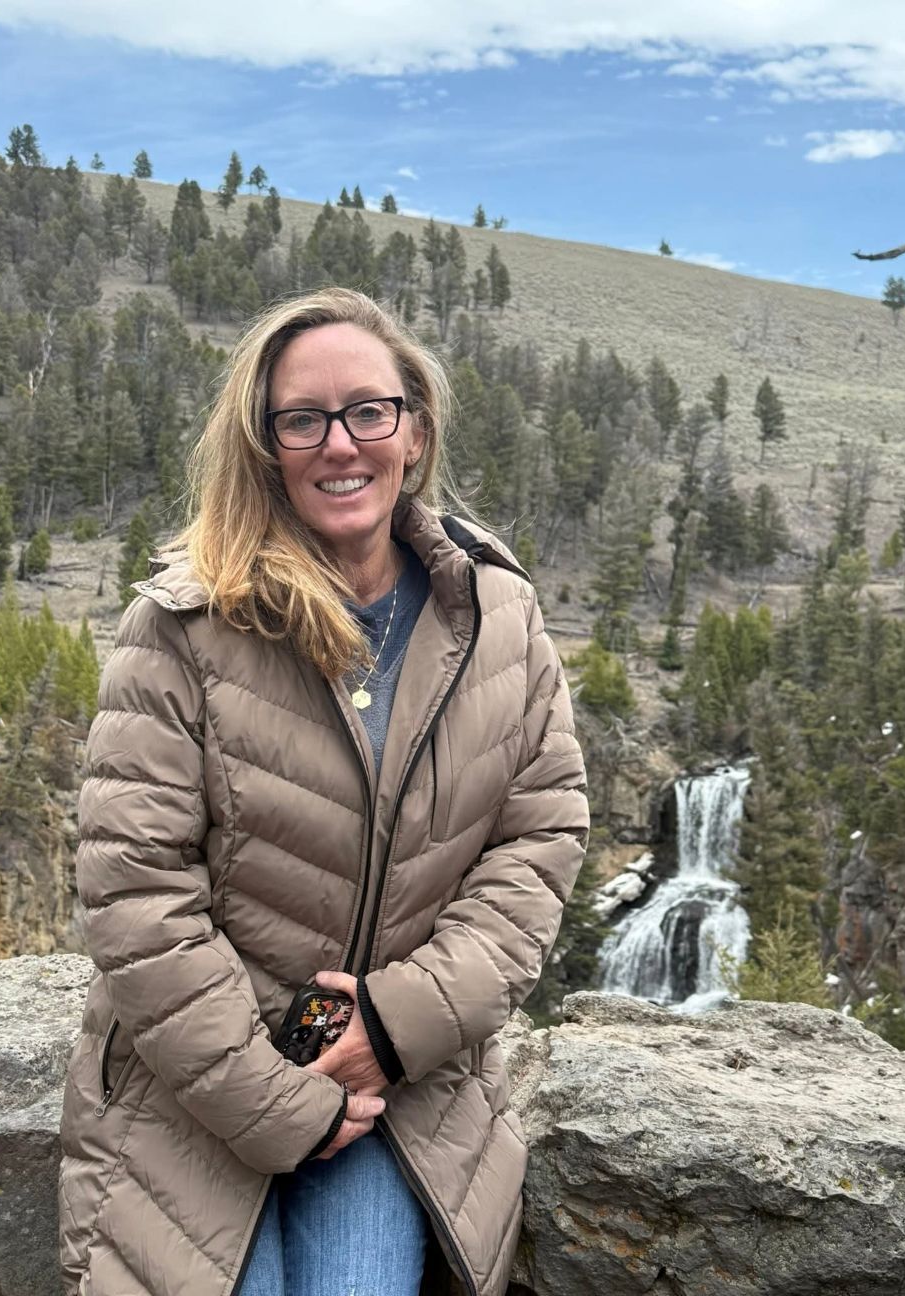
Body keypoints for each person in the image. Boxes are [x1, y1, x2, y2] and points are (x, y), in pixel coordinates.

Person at [58, 287, 589, 1296]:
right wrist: (276, 1101)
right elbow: (136, 897)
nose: (340, 444)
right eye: (303, 419)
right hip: (194, 1088)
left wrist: (393, 1026)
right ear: (264, 445)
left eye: (368, 411)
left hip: (400, 1087)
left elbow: (540, 839)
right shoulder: (182, 628)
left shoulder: (500, 617)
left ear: (414, 431)